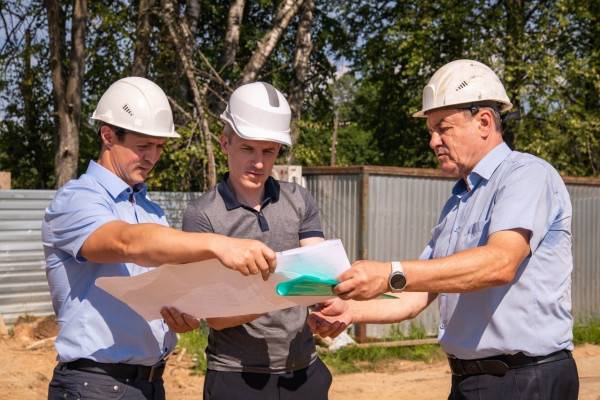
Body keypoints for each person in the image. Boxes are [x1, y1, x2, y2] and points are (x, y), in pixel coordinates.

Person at [309, 59, 579, 400]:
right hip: (472, 381)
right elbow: (420, 291)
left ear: (483, 121)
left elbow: (500, 263)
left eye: (443, 128)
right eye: (431, 131)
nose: (433, 142)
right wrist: (351, 312)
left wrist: (390, 272)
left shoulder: (526, 175)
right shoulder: (459, 202)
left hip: (525, 379)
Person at [42, 77, 277, 400]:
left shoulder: (150, 210)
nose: (152, 157)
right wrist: (219, 244)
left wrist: (184, 313)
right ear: (108, 135)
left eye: (160, 146)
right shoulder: (77, 200)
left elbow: (162, 283)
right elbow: (127, 243)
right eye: (143, 146)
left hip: (150, 383)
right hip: (93, 385)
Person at [176, 81, 332, 400]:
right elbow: (216, 316)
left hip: (302, 370)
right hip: (236, 377)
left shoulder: (299, 200)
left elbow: (319, 277)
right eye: (248, 148)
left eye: (268, 151)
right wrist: (283, 289)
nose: (259, 163)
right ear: (225, 142)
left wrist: (334, 303)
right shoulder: (202, 215)